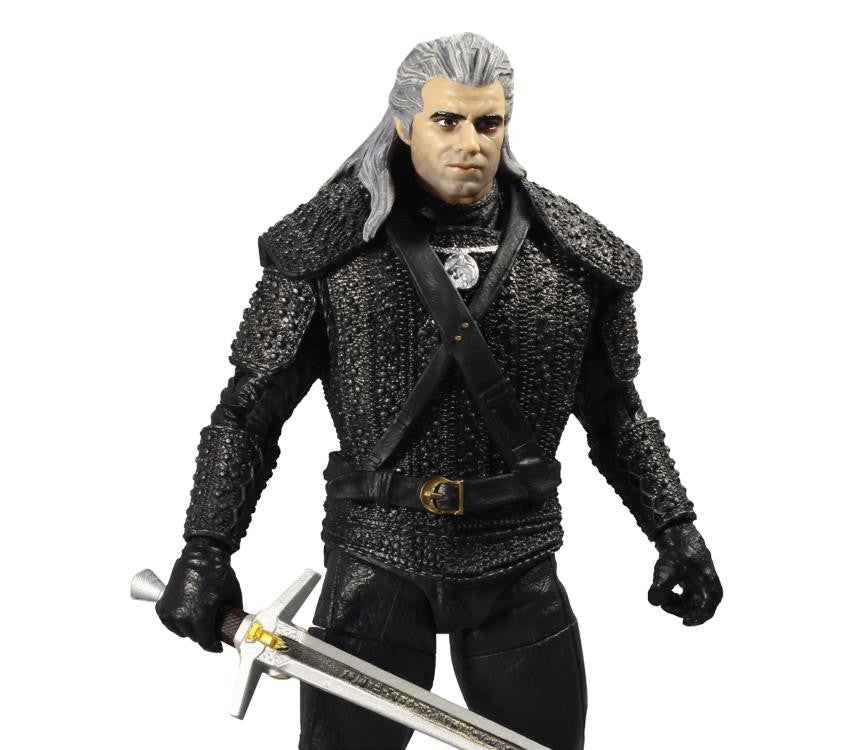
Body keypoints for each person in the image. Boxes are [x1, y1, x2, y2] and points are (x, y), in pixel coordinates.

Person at [156, 32, 723, 750]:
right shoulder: (327, 249)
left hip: (515, 558)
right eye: (446, 121)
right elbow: (248, 413)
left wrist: (676, 529)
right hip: (376, 558)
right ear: (404, 123)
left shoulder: (573, 258)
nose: (470, 143)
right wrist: (206, 548)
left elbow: (618, 416)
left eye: (488, 123)